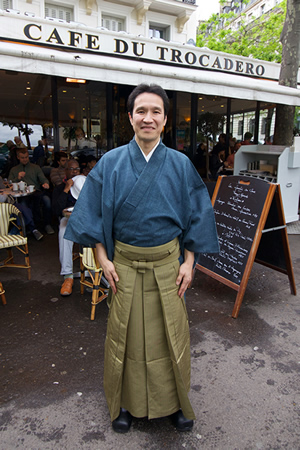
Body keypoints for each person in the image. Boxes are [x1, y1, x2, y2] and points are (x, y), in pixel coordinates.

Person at [65, 83, 219, 433]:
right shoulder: (111, 163)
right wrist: (103, 260)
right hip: (124, 266)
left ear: (165, 120)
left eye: (156, 112)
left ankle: (177, 402)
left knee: (172, 336)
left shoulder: (180, 164)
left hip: (168, 265)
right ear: (130, 117)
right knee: (125, 338)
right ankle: (124, 403)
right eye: (141, 111)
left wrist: (189, 262)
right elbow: (93, 217)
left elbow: (197, 215)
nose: (148, 118)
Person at [52, 159, 83, 296]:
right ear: (65, 171)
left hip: (86, 219)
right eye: (71, 169)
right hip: (69, 219)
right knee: (64, 229)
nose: (75, 171)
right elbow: (56, 210)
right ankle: (68, 276)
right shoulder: (60, 188)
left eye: (77, 169)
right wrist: (66, 189)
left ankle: (99, 269)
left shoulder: (84, 184)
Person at [8, 148, 54, 237]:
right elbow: (9, 183)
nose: (25, 159)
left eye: (26, 157)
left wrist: (46, 183)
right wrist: (17, 178)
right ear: (18, 157)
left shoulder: (35, 167)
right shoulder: (14, 169)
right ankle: (31, 227)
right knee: (24, 205)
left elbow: (43, 178)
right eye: (22, 158)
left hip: (36, 192)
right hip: (22, 194)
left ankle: (47, 224)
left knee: (47, 200)